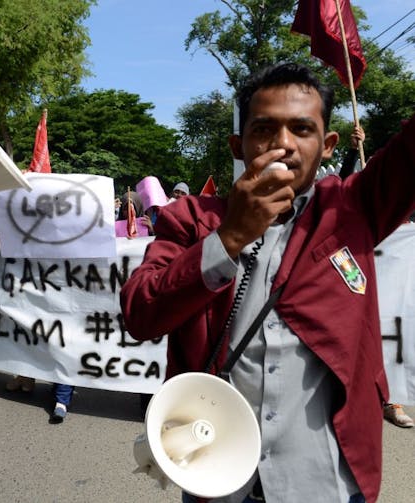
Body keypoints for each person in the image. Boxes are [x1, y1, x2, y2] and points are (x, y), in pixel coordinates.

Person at [121, 63, 415, 502]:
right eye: (264, 129)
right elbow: (141, 313)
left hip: (326, 479)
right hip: (217, 476)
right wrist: (230, 237)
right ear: (238, 145)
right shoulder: (192, 219)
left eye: (301, 129)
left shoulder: (355, 207)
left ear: (327, 144)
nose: (282, 145)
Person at [338, 125, 414, 429]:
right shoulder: (361, 197)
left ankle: (391, 397)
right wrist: (350, 151)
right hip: (362, 274)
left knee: (395, 326)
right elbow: (342, 188)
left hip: (397, 280)